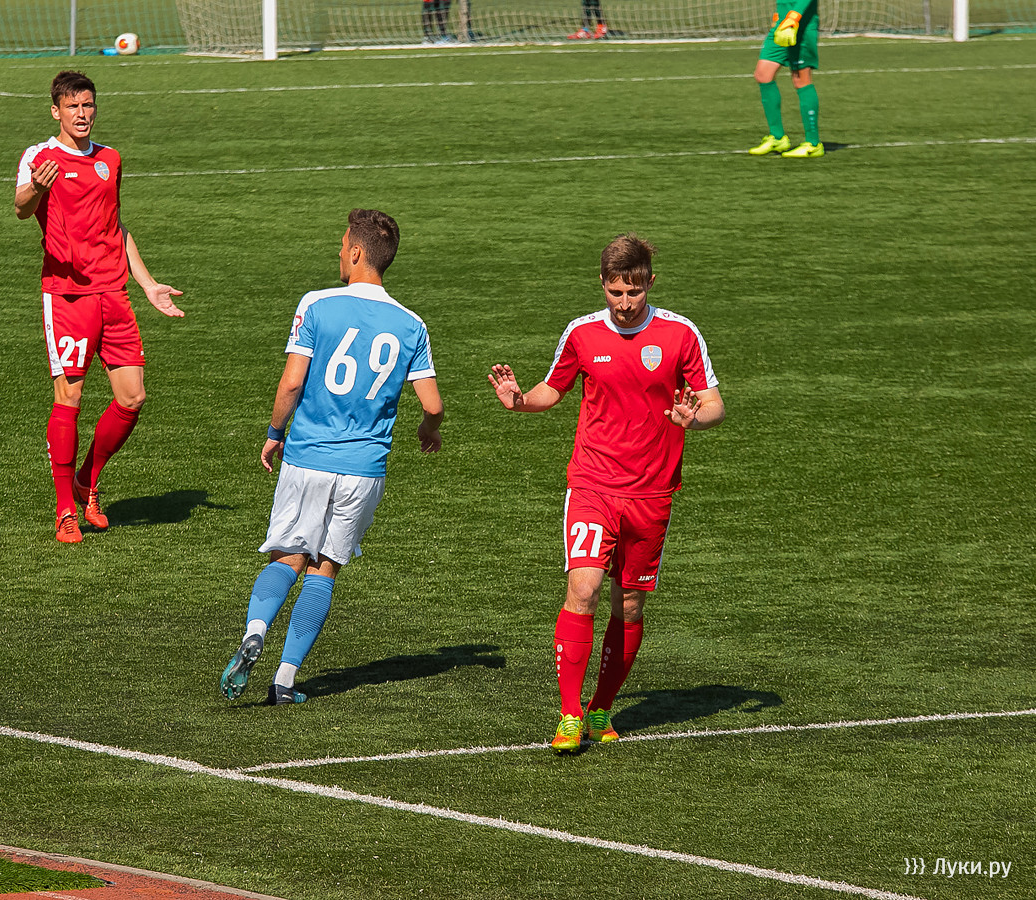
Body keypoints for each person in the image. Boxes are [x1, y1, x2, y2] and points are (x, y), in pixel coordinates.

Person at [487, 234, 724, 752]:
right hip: (593, 484)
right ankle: (570, 715)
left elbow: (714, 404)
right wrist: (520, 400)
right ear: (602, 284)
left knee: (630, 604)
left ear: (650, 283)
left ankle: (600, 707)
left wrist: (694, 418)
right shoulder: (582, 333)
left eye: (634, 291)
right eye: (616, 291)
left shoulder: (681, 334)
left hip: (653, 493)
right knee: (584, 589)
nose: (624, 302)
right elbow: (553, 390)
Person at [220, 209, 445, 705]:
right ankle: (284, 681)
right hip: (364, 471)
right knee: (324, 569)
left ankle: (255, 631)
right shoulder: (412, 324)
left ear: (358, 253)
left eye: (342, 245)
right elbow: (432, 405)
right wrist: (427, 431)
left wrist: (274, 433)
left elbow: (292, 383)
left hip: (308, 458)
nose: (338, 252)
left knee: (288, 556)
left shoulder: (316, 303)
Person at [14, 70, 184, 543]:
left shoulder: (110, 159)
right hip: (68, 296)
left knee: (133, 397)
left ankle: (86, 479)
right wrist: (36, 187)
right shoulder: (40, 157)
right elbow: (21, 208)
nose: (81, 114)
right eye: (72, 106)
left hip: (114, 293)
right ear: (56, 111)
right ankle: (65, 509)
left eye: (87, 105)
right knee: (68, 399)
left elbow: (117, 226)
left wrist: (147, 284)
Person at [749, 0, 823, 158]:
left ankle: (813, 144)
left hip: (801, 25)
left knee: (801, 80)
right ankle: (777, 138)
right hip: (782, 24)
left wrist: (794, 17)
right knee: (763, 75)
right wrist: (779, 15)